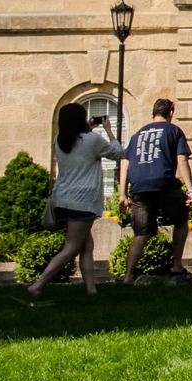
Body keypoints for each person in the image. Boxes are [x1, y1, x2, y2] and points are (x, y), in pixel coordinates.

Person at [22, 103, 126, 302]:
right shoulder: (93, 140)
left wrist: (87, 128)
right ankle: (38, 285)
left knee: (86, 245)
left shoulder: (58, 141)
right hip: (83, 201)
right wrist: (109, 131)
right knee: (71, 247)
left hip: (62, 200)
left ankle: (91, 291)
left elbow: (78, 144)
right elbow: (117, 153)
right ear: (81, 119)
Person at [122, 97, 192, 283]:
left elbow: (125, 162)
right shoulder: (174, 131)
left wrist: (123, 194)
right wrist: (190, 189)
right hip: (163, 184)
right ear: (171, 112)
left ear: (153, 113)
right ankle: (176, 265)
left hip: (138, 188)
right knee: (180, 220)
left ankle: (128, 276)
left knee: (141, 234)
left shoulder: (137, 135)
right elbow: (182, 160)